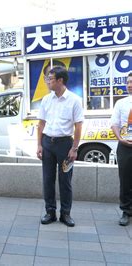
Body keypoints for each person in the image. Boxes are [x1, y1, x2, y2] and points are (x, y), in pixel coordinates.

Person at [37, 66, 84, 227]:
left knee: (65, 181)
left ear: (60, 80)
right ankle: (50, 212)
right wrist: (39, 145)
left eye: (50, 79)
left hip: (65, 145)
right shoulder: (46, 99)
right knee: (48, 179)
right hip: (47, 144)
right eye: (47, 79)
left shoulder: (74, 100)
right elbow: (41, 123)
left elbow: (78, 126)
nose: (48, 82)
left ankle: (66, 214)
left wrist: (74, 148)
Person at [110, 72, 132, 226]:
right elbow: (114, 124)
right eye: (128, 82)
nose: (129, 85)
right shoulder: (121, 103)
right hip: (125, 146)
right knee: (125, 180)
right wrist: (120, 139)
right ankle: (126, 211)